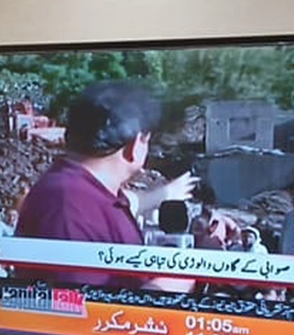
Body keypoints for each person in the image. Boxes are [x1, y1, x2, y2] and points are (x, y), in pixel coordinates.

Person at [15, 81, 196, 287]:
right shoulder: (71, 206)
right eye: (147, 141)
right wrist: (172, 284)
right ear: (135, 146)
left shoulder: (78, 191)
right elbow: (77, 303)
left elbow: (122, 205)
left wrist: (167, 193)